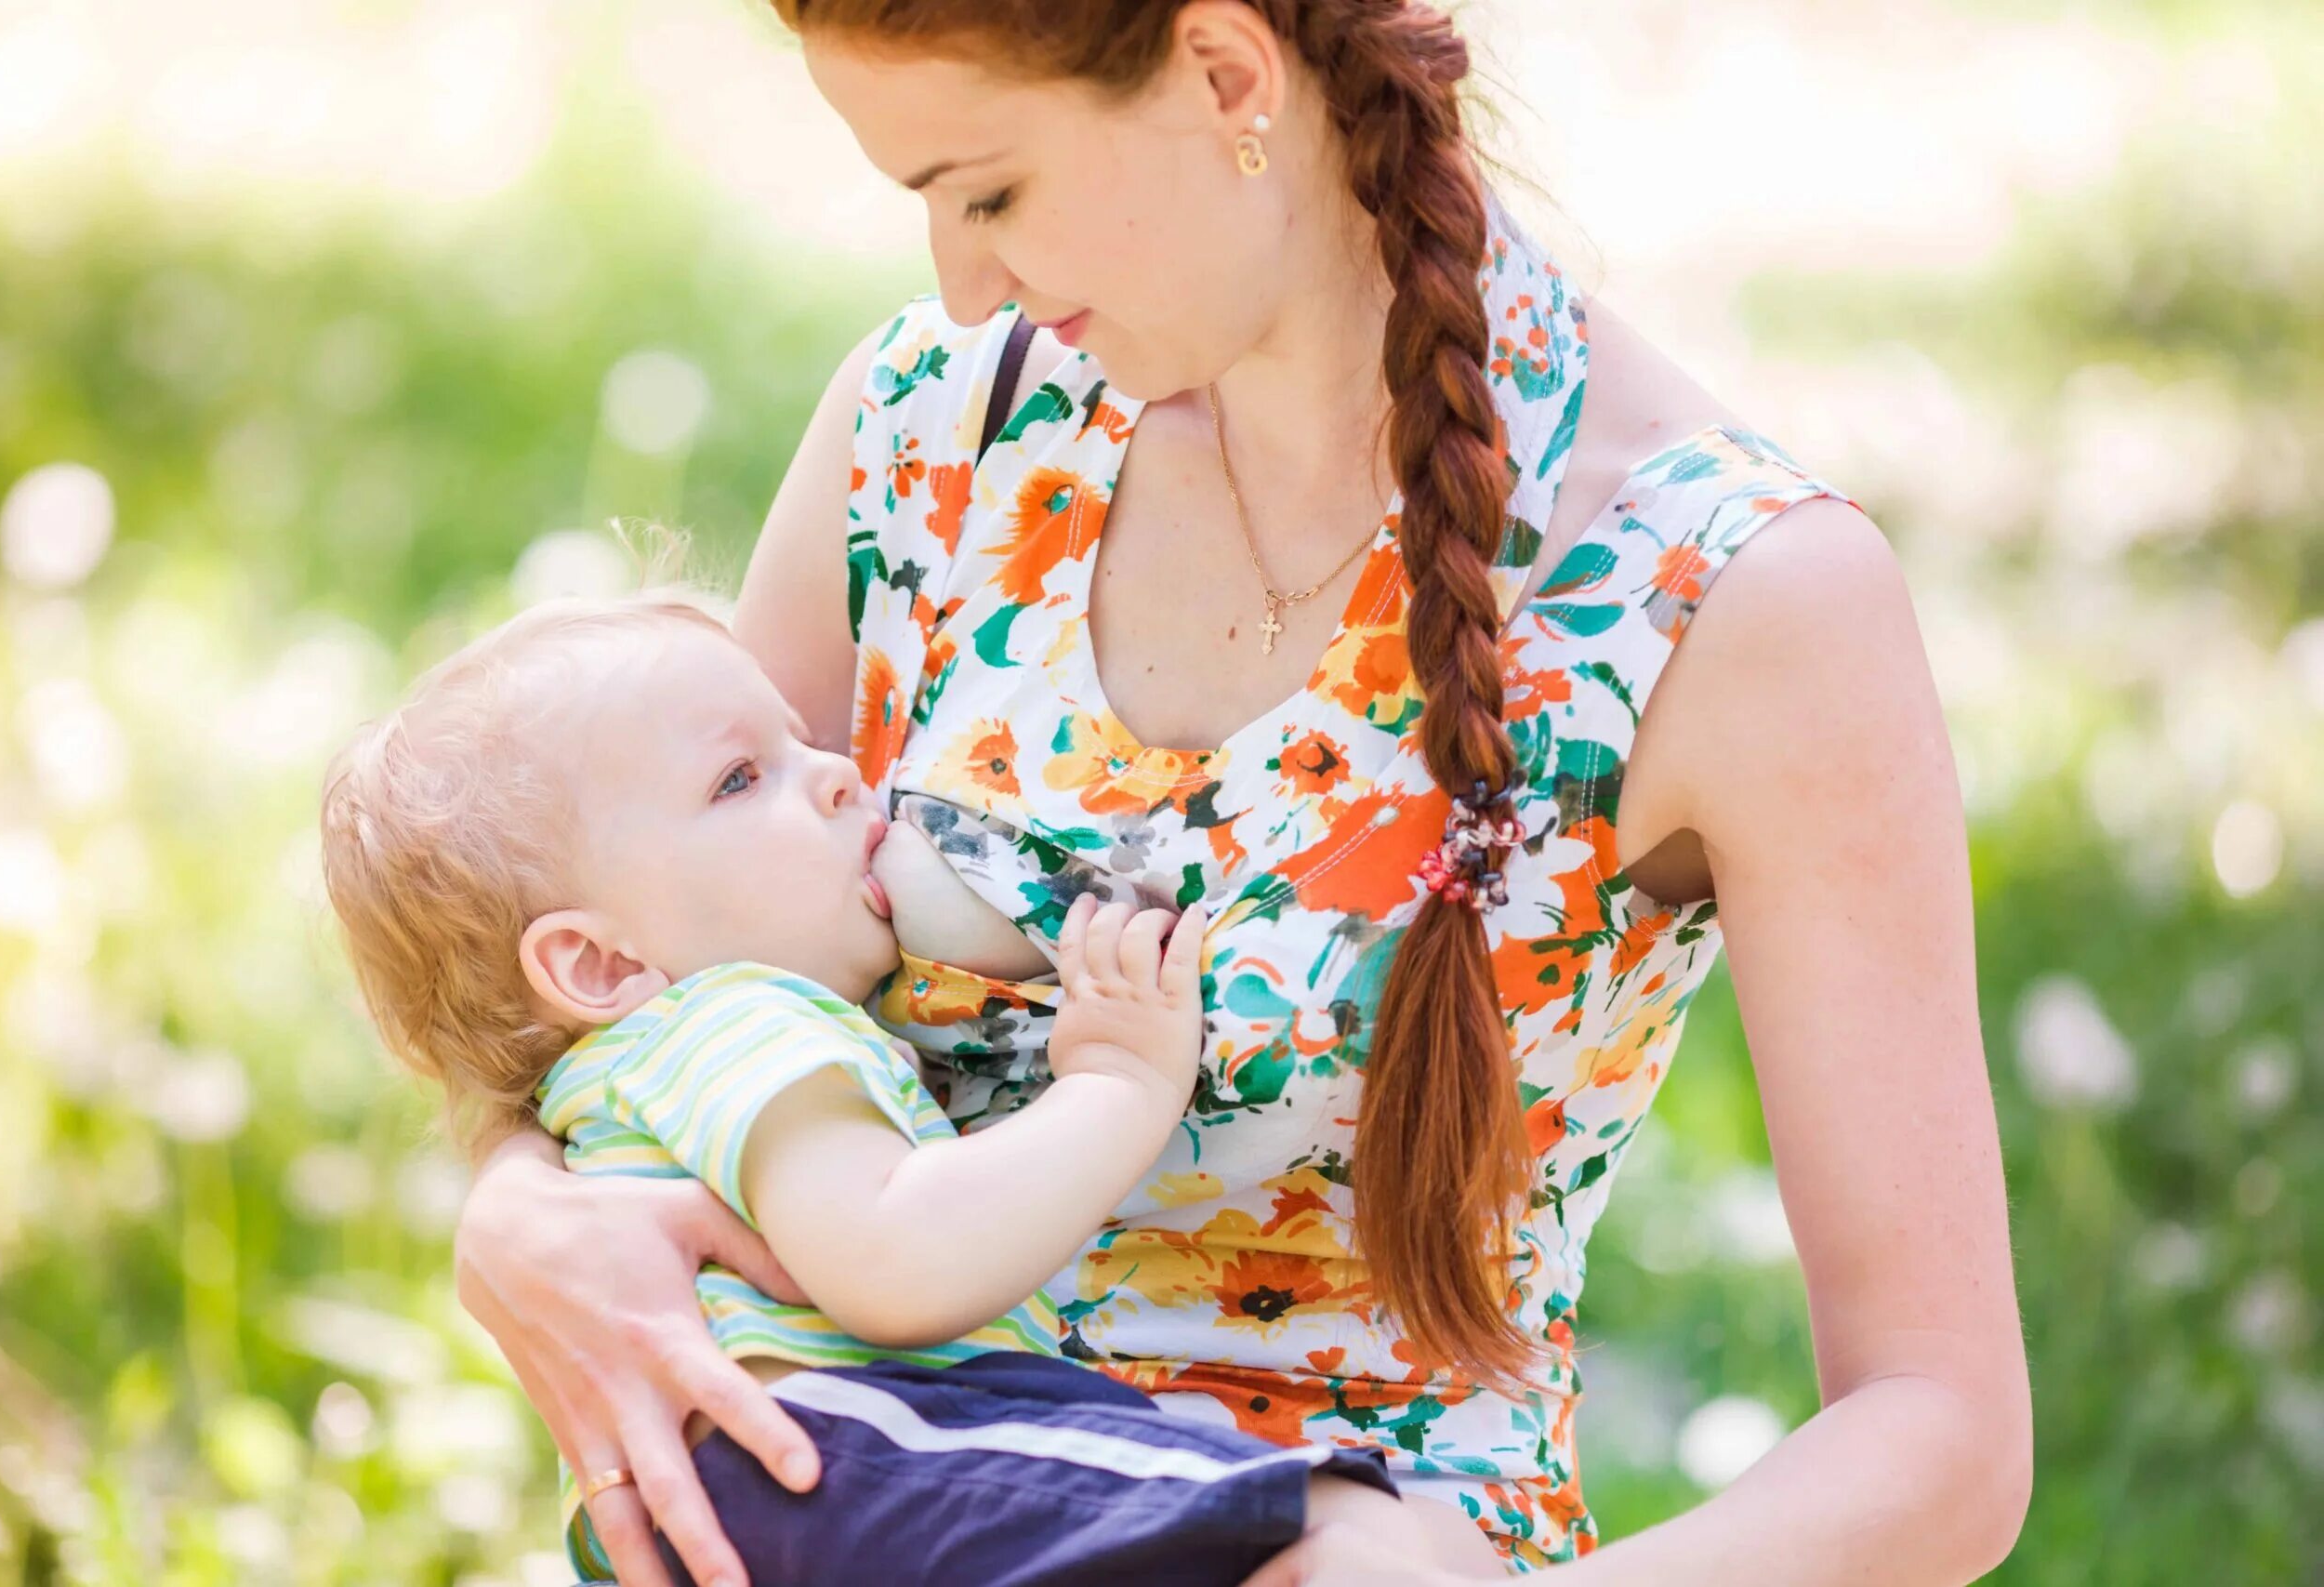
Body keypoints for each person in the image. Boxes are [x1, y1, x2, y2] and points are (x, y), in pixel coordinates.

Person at [453, 5, 2033, 1583]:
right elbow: (624, 959)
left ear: (1227, 75)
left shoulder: (1726, 591)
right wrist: (518, 1211)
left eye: (989, 192)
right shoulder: (935, 424)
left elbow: (1938, 1434)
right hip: (889, 1516)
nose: (961, 278)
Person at [319, 587, 1487, 1583]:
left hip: (781, 1492)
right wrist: (1119, 1083)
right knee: (1346, 1534)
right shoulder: (739, 1022)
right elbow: (898, 1259)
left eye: (796, 742)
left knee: (1422, 1545)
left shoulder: (619, 1083)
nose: (836, 775)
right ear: (603, 961)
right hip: (845, 1454)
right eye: (739, 779)